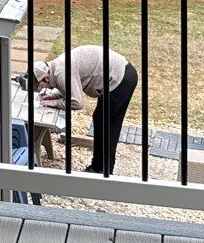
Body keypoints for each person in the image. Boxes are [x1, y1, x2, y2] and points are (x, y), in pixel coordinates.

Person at [29, 45, 137, 175]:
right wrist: (53, 95)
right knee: (100, 121)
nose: (41, 88)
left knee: (107, 127)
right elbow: (72, 85)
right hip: (119, 74)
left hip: (120, 78)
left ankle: (104, 171)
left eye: (40, 85)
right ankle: (97, 167)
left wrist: (54, 103)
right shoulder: (57, 66)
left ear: (46, 77)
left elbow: (77, 102)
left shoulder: (61, 72)